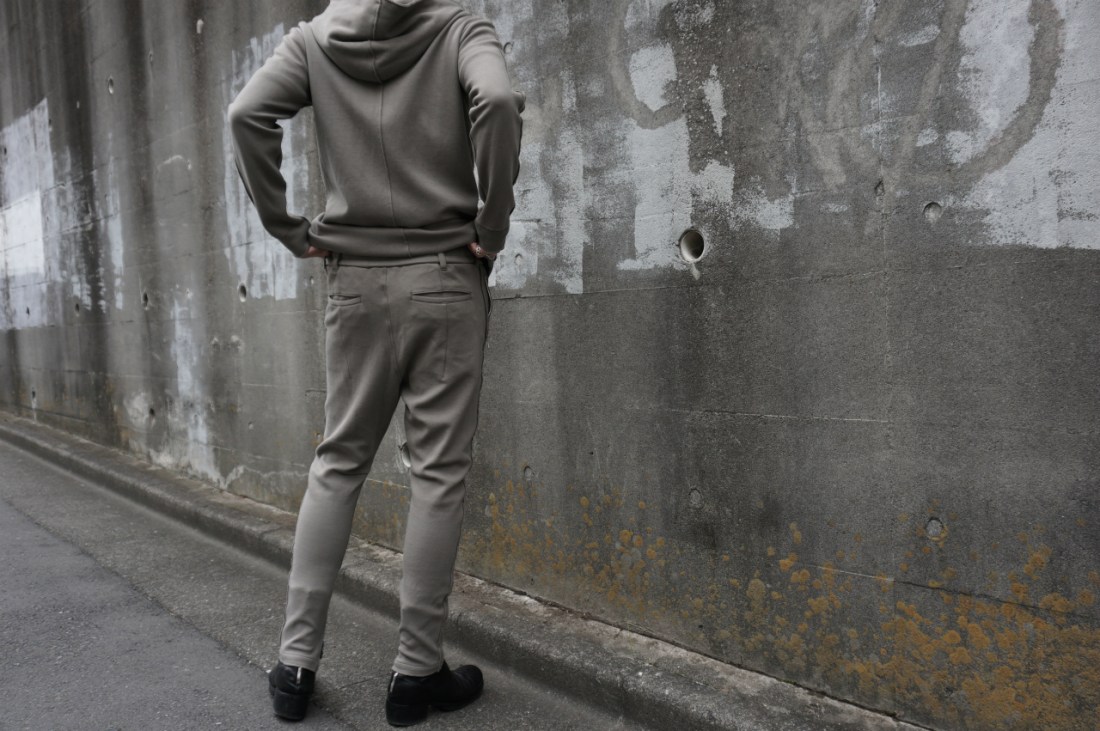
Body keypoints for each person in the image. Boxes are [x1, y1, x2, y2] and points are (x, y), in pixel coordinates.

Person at [227, 0, 523, 725]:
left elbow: (246, 114)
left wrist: (287, 227)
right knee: (438, 474)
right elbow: (497, 100)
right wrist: (492, 225)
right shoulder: (459, 28)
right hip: (445, 276)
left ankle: (296, 667)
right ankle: (415, 673)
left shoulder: (313, 41)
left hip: (355, 282)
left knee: (338, 462)